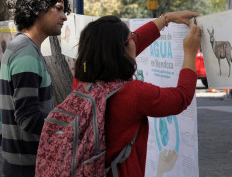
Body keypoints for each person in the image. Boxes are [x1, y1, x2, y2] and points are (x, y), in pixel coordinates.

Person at [72, 11, 200, 176]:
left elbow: (126, 47)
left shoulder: (81, 82)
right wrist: (190, 53)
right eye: (132, 38)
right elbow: (181, 98)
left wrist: (165, 19)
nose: (135, 40)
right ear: (122, 50)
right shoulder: (133, 94)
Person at [0, 0, 71, 177]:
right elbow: (28, 118)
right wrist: (65, 133)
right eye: (59, 9)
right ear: (39, 9)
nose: (64, 17)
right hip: (27, 168)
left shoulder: (24, 47)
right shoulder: (26, 54)